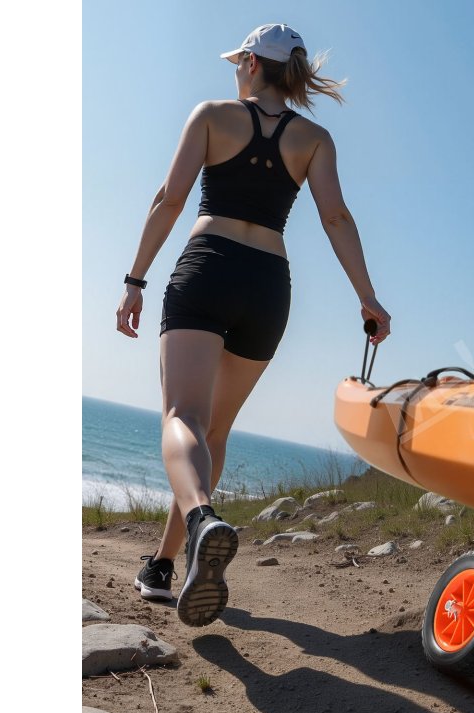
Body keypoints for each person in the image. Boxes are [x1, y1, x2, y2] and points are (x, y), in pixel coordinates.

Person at [116, 23, 391, 627]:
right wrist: (368, 299)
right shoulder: (314, 139)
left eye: (237, 62)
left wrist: (135, 280)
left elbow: (169, 198)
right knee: (213, 433)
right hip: (268, 285)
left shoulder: (212, 115)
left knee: (182, 418)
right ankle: (163, 565)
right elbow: (337, 218)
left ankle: (200, 521)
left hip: (208, 267)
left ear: (249, 63)